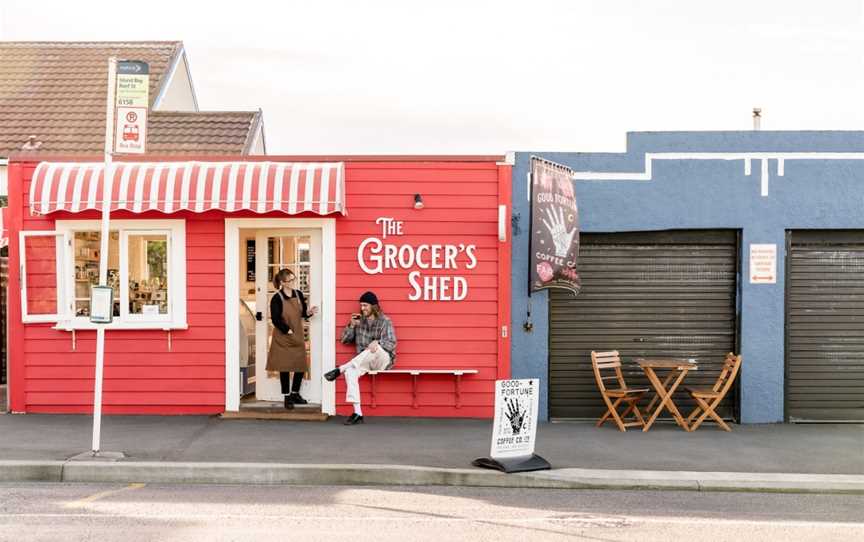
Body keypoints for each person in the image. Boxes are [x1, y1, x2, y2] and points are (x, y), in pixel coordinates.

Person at [324, 291, 396, 425]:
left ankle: (340, 369)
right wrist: (351, 325)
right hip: (364, 361)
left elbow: (391, 343)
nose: (362, 308)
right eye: (361, 305)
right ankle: (358, 413)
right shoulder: (359, 321)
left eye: (365, 306)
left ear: (373, 306)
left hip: (382, 359)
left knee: (373, 347)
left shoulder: (385, 321)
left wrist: (378, 342)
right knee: (350, 373)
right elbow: (345, 340)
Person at [267, 268, 318, 410]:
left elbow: (302, 314)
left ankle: (295, 393)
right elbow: (276, 319)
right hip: (283, 337)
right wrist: (287, 330)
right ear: (283, 282)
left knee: (300, 365)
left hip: (297, 335)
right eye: (290, 280)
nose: (293, 282)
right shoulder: (276, 298)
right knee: (285, 367)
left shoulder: (299, 294)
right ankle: (287, 396)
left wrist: (309, 313)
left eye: (293, 279)